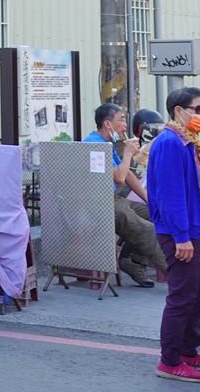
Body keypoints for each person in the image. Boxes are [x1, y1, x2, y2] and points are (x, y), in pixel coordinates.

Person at [147, 86, 200, 382]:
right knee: (182, 296)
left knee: (197, 294)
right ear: (179, 111)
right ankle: (169, 361)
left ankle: (188, 351)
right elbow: (171, 195)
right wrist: (182, 236)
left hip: (195, 230)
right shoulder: (171, 143)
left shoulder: (192, 142)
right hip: (180, 233)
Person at [83, 103, 167, 287]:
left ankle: (133, 261)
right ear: (108, 124)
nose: (125, 125)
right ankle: (177, 275)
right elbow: (120, 178)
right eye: (121, 119)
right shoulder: (94, 145)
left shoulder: (106, 143)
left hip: (113, 199)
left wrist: (149, 201)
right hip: (99, 203)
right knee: (148, 230)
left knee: (158, 216)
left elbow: (128, 174)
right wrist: (128, 153)